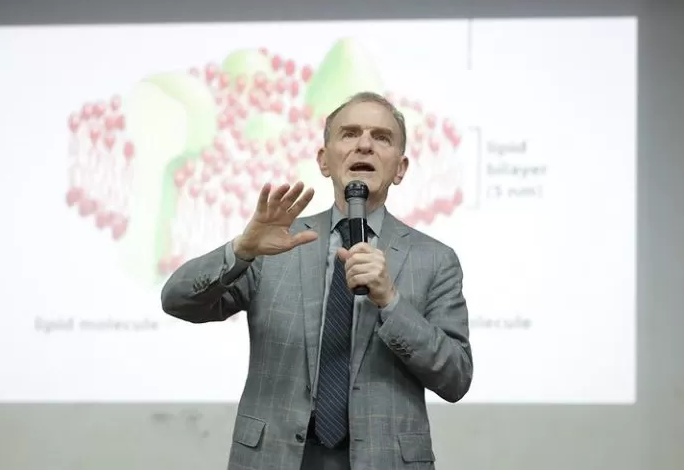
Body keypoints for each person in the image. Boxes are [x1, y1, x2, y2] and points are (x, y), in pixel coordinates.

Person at [161, 91, 473, 470]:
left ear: (400, 168)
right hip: (275, 457)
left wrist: (391, 301)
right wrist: (241, 249)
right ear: (324, 161)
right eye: (350, 133)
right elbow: (177, 300)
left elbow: (456, 377)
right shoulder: (276, 243)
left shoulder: (435, 260)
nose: (364, 145)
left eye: (381, 137)